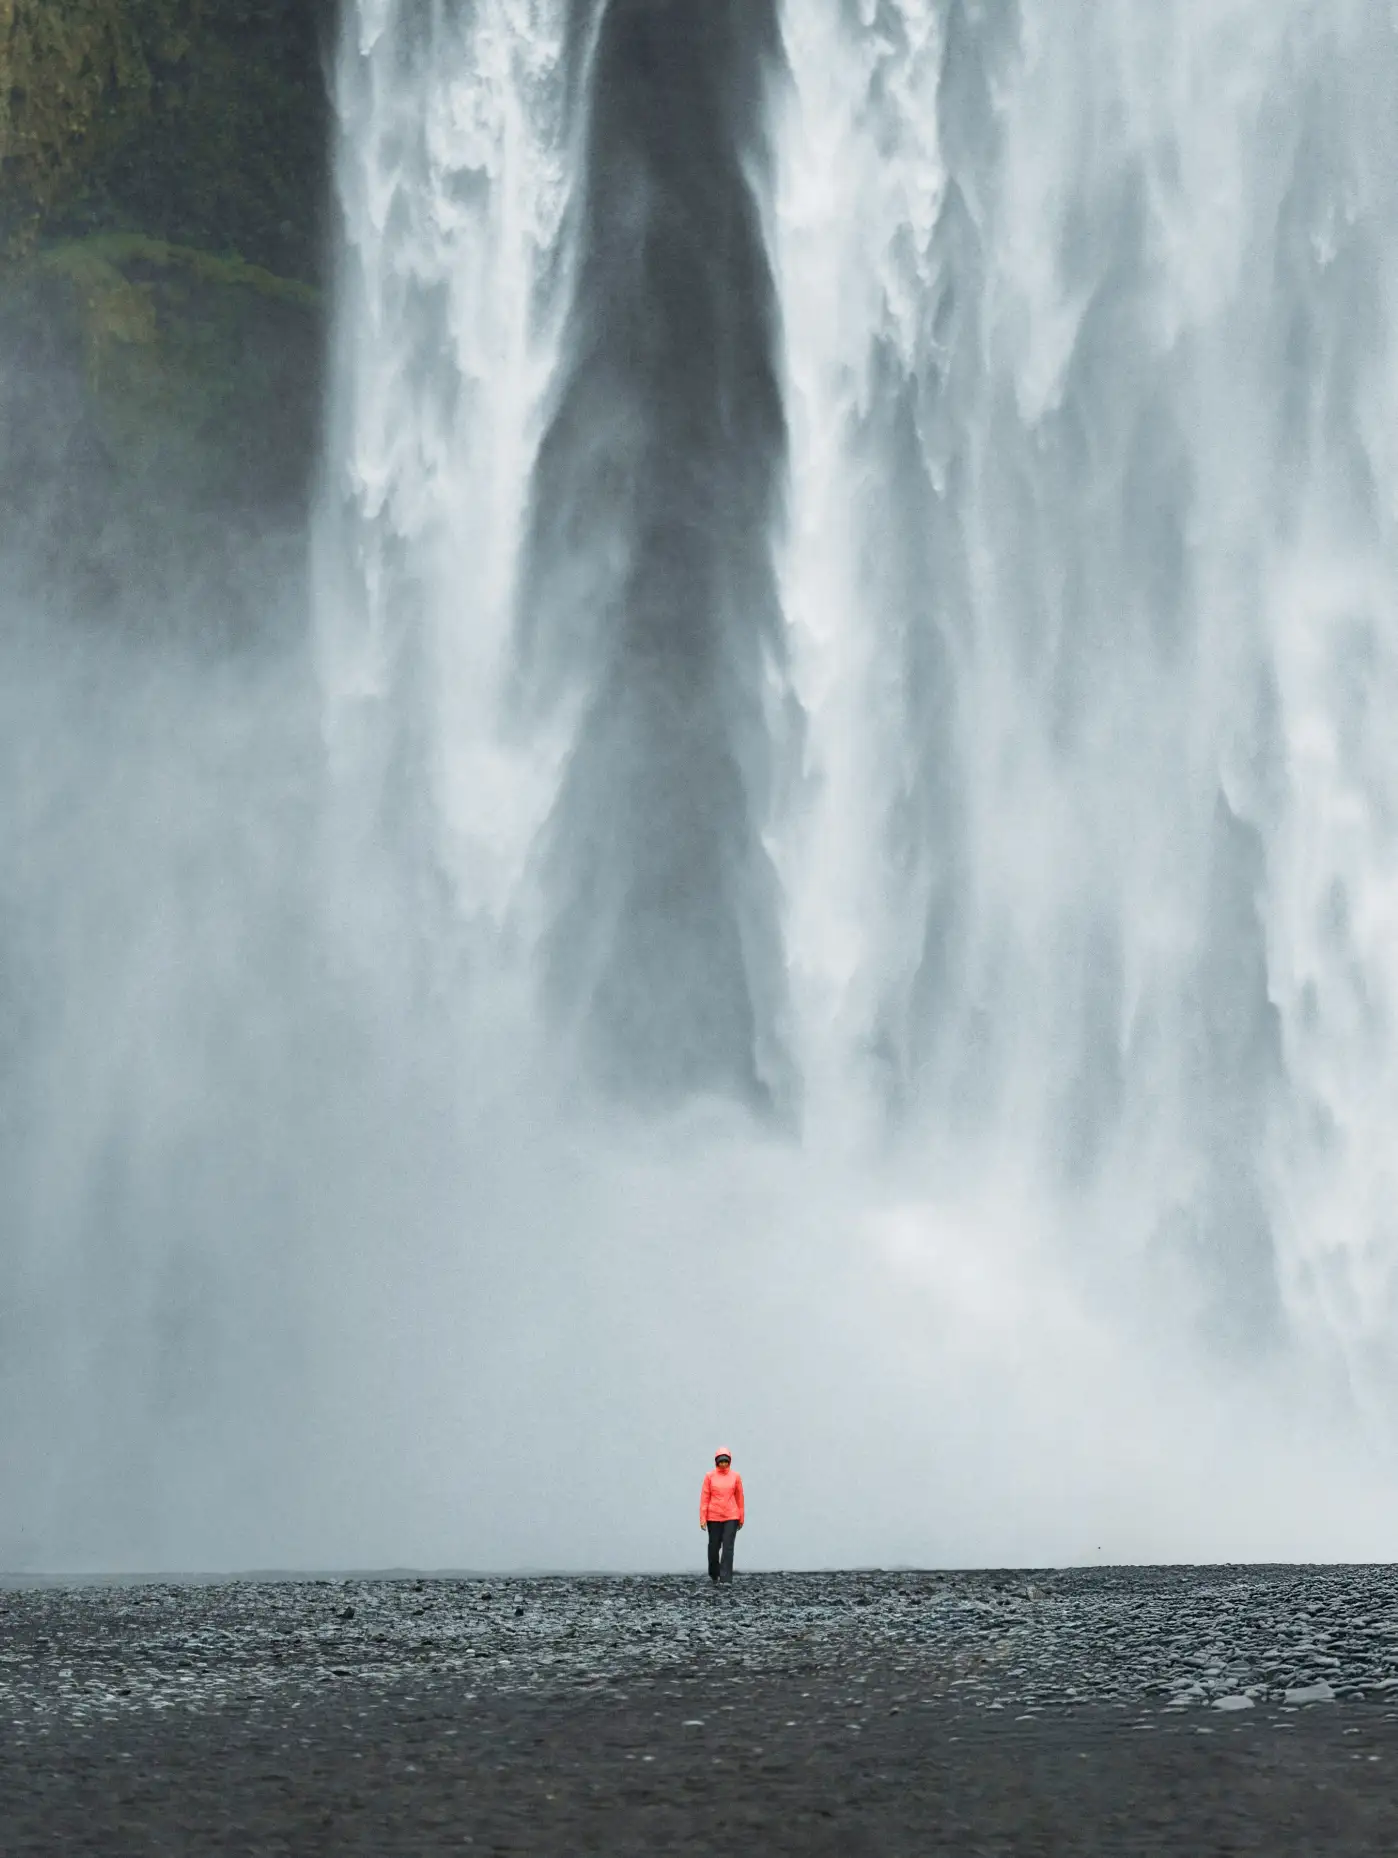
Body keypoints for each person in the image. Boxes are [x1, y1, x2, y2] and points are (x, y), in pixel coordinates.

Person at [699, 1448, 744, 1585]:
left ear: (729, 1461)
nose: (723, 1464)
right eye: (721, 1461)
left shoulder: (735, 1476)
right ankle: (714, 1573)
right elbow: (705, 1498)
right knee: (714, 1547)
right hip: (713, 1516)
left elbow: (739, 1498)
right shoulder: (709, 1476)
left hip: (731, 1515)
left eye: (726, 1461)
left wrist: (741, 1517)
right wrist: (702, 1518)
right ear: (716, 1462)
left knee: (728, 1547)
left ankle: (726, 1578)